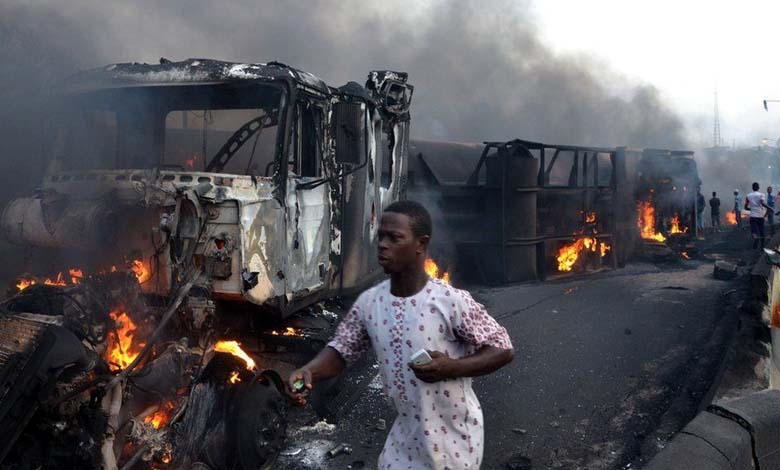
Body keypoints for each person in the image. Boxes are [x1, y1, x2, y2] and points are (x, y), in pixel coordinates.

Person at [288, 200, 514, 470]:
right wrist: (309, 371)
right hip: (403, 438)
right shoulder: (370, 303)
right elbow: (341, 350)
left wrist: (451, 367)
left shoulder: (450, 301)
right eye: (381, 236)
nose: (383, 244)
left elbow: (502, 348)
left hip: (453, 443)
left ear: (421, 243)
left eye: (395, 238)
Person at [745, 182, 772, 249]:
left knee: (754, 231)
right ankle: (762, 246)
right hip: (760, 215)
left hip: (753, 216)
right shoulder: (761, 195)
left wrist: (751, 209)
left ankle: (756, 238)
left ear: (752, 188)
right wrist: (769, 208)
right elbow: (762, 203)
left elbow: (745, 207)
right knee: (761, 231)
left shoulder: (748, 196)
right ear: (758, 188)